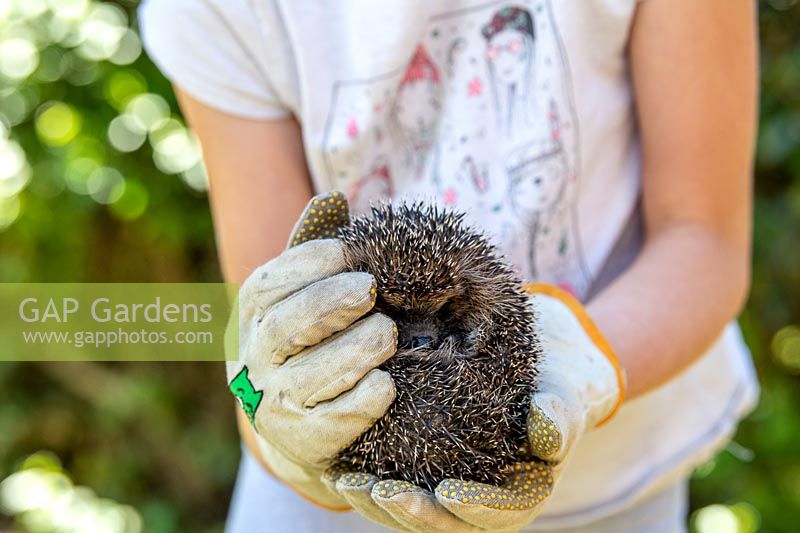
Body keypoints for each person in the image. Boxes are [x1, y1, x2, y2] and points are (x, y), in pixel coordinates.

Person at [138, 0, 760, 531]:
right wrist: (271, 428)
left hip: (619, 478)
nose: (427, 338)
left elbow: (704, 238)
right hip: (329, 509)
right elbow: (256, 350)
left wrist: (586, 356)